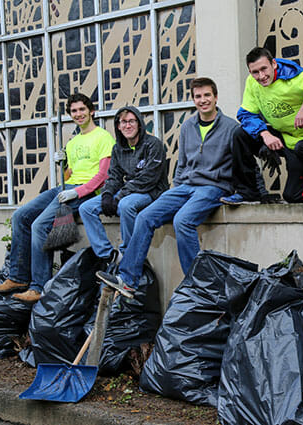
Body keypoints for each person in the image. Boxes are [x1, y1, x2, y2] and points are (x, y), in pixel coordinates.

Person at [96, 77, 238, 297]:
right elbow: (181, 163)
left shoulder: (230, 127)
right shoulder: (188, 126)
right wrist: (178, 188)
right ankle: (128, 279)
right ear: (194, 100)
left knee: (183, 220)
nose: (203, 100)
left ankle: (196, 286)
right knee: (145, 217)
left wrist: (241, 192)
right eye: (198, 96)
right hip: (185, 186)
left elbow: (242, 163)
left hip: (213, 186)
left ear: (216, 97)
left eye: (207, 95)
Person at [0, 93, 115, 303]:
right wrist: (64, 163)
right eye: (74, 111)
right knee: (21, 216)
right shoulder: (74, 141)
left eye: (82, 109)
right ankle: (18, 277)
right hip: (65, 188)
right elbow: (68, 176)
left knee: (40, 225)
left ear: (91, 111)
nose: (78, 114)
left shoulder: (104, 137)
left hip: (86, 192)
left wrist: (78, 192)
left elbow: (104, 176)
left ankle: (38, 286)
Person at [220, 47, 303, 205]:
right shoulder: (252, 83)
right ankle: (248, 192)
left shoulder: (298, 77)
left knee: (292, 196)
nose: (261, 76)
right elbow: (246, 114)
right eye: (255, 72)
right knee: (240, 134)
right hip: (284, 136)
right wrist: (264, 133)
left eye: (263, 69)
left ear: (274, 64)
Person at [78, 106, 168, 269]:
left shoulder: (153, 145)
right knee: (86, 208)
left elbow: (148, 179)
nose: (128, 126)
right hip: (128, 191)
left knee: (126, 205)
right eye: (124, 122)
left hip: (151, 191)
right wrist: (107, 195)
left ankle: (128, 254)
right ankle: (109, 255)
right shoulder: (118, 148)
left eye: (132, 121)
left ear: (139, 124)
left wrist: (118, 198)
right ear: (118, 126)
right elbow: (114, 177)